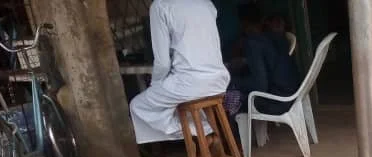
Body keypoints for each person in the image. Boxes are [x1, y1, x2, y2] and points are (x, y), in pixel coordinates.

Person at [129, 0, 231, 146]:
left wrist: (156, 85)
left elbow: (162, 62)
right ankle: (206, 133)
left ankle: (202, 132)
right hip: (219, 79)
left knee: (138, 106)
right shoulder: (206, 3)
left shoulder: (160, 6)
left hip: (189, 83)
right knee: (180, 104)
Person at [228, 6, 300, 115]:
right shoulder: (276, 36)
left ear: (243, 24)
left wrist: (231, 82)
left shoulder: (252, 42)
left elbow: (260, 86)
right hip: (295, 96)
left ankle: (230, 132)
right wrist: (246, 62)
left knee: (229, 97)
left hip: (277, 102)